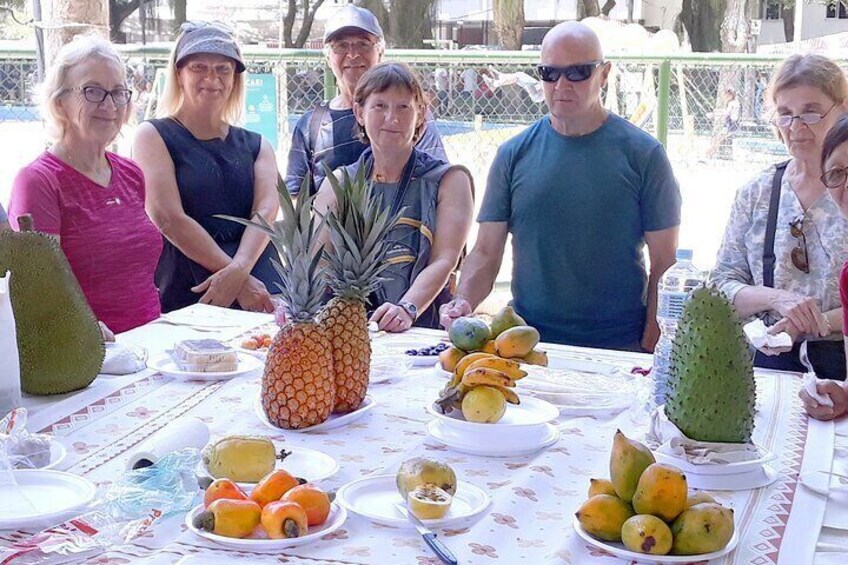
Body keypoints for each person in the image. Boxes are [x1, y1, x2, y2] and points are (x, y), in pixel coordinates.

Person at [439, 22, 681, 352]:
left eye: (578, 72)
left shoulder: (644, 155)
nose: (561, 84)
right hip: (525, 344)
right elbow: (485, 251)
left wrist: (651, 342)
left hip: (617, 346)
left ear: (604, 74)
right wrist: (463, 302)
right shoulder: (512, 155)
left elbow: (665, 263)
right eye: (549, 73)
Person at [7, 35, 161, 334]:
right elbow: (40, 291)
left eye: (118, 92)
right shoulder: (38, 182)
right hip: (91, 357)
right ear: (60, 102)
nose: (109, 105)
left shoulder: (132, 174)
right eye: (93, 91)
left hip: (151, 340)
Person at [711, 54, 848, 380]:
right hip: (768, 366)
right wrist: (779, 300)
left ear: (842, 109)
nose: (797, 127)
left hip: (840, 365)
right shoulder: (757, 193)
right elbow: (720, 286)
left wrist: (815, 322)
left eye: (811, 112)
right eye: (785, 115)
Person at [314, 62, 474, 332]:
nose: (392, 118)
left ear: (420, 114)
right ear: (359, 112)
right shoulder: (339, 183)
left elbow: (444, 259)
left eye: (404, 107)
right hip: (349, 327)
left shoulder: (449, 180)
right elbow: (318, 261)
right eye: (380, 106)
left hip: (422, 322)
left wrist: (407, 308)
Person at [133, 22, 279, 315]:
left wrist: (240, 271)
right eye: (199, 67)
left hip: (259, 279)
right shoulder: (153, 135)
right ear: (179, 73)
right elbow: (168, 217)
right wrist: (237, 278)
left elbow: (267, 209)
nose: (211, 78)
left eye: (223, 69)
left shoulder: (257, 144)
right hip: (192, 284)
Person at [285, 4, 447, 197]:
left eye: (363, 44)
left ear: (381, 51)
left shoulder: (408, 117)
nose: (352, 54)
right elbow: (295, 198)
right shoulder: (311, 125)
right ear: (328, 57)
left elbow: (434, 183)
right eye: (341, 45)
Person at [706, 87, 741, 159]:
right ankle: (709, 154)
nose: (724, 98)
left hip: (731, 125)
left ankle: (708, 154)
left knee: (717, 139)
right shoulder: (734, 102)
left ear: (729, 95)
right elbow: (726, 111)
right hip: (730, 124)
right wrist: (717, 111)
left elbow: (726, 113)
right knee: (717, 139)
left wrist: (713, 114)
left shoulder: (732, 103)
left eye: (725, 96)